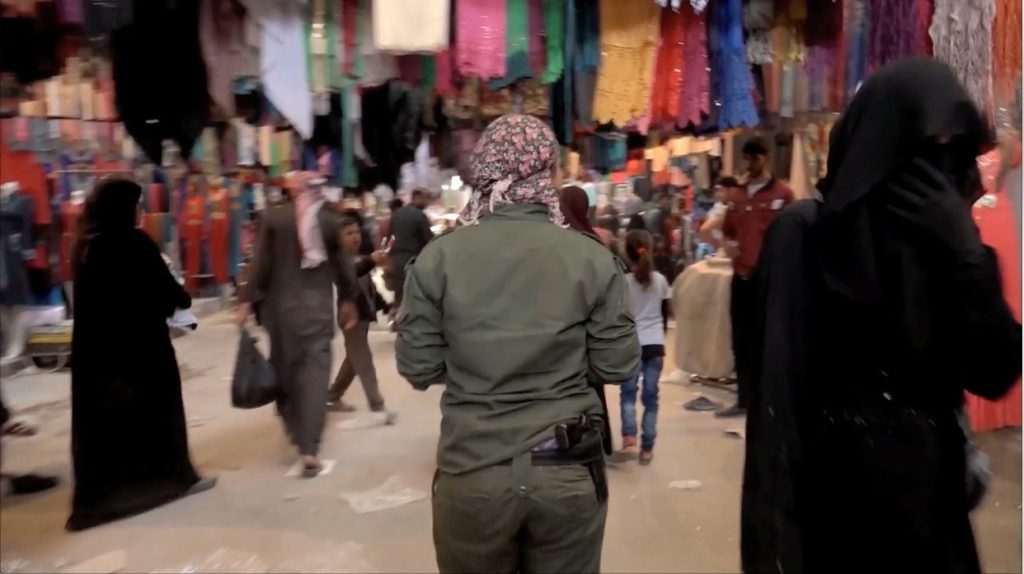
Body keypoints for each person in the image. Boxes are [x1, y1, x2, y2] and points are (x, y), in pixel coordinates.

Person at [741, 59, 1022, 574]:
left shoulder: (948, 250)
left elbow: (996, 369)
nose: (938, 174)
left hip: (934, 520)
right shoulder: (806, 239)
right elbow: (775, 417)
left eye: (953, 153)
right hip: (836, 521)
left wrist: (966, 253)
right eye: (924, 151)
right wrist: (772, 550)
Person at [396, 114, 640, 574]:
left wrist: (477, 359)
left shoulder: (437, 259)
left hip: (473, 471)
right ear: (548, 171)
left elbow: (417, 367)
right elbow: (618, 364)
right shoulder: (591, 258)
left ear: (483, 170)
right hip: (566, 469)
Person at [67, 179, 214, 531]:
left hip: (98, 359)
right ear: (123, 208)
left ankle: (107, 500)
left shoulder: (85, 246)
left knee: (109, 428)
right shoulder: (133, 243)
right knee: (157, 416)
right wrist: (180, 299)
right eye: (136, 205)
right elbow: (170, 293)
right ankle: (175, 481)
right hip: (142, 353)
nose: (141, 211)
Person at [237, 172, 359, 478]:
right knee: (316, 378)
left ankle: (295, 429)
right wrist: (348, 300)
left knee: (286, 373)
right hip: (317, 312)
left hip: (281, 313)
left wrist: (245, 301)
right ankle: (309, 447)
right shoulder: (328, 221)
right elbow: (343, 267)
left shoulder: (274, 219)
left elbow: (260, 264)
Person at [718, 138, 793, 418]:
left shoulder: (783, 194)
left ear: (767, 158)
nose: (751, 164)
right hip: (741, 276)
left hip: (769, 278)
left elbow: (793, 231)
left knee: (768, 340)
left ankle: (767, 402)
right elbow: (727, 230)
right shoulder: (736, 196)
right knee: (741, 339)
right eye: (747, 158)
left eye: (756, 158)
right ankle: (744, 400)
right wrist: (727, 244)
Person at [327, 216, 396, 422]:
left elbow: (370, 288)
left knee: (353, 360)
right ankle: (378, 406)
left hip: (363, 316)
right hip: (350, 318)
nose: (355, 237)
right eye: (348, 234)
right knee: (363, 361)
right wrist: (371, 261)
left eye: (356, 232)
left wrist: (387, 306)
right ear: (338, 239)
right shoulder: (338, 263)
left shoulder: (357, 259)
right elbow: (351, 276)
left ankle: (332, 396)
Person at [614, 230, 671, 465]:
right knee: (651, 397)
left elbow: (619, 317)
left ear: (627, 254)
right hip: (655, 345)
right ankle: (647, 448)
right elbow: (665, 316)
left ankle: (629, 440)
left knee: (628, 394)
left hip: (631, 344)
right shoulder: (661, 281)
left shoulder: (623, 283)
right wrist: (660, 340)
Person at [386, 188, 433, 317]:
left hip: (396, 260)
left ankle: (397, 319)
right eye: (425, 199)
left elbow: (390, 238)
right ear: (417, 198)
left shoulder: (397, 214)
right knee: (413, 294)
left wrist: (388, 258)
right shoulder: (420, 216)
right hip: (412, 260)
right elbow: (429, 240)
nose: (426, 203)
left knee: (399, 293)